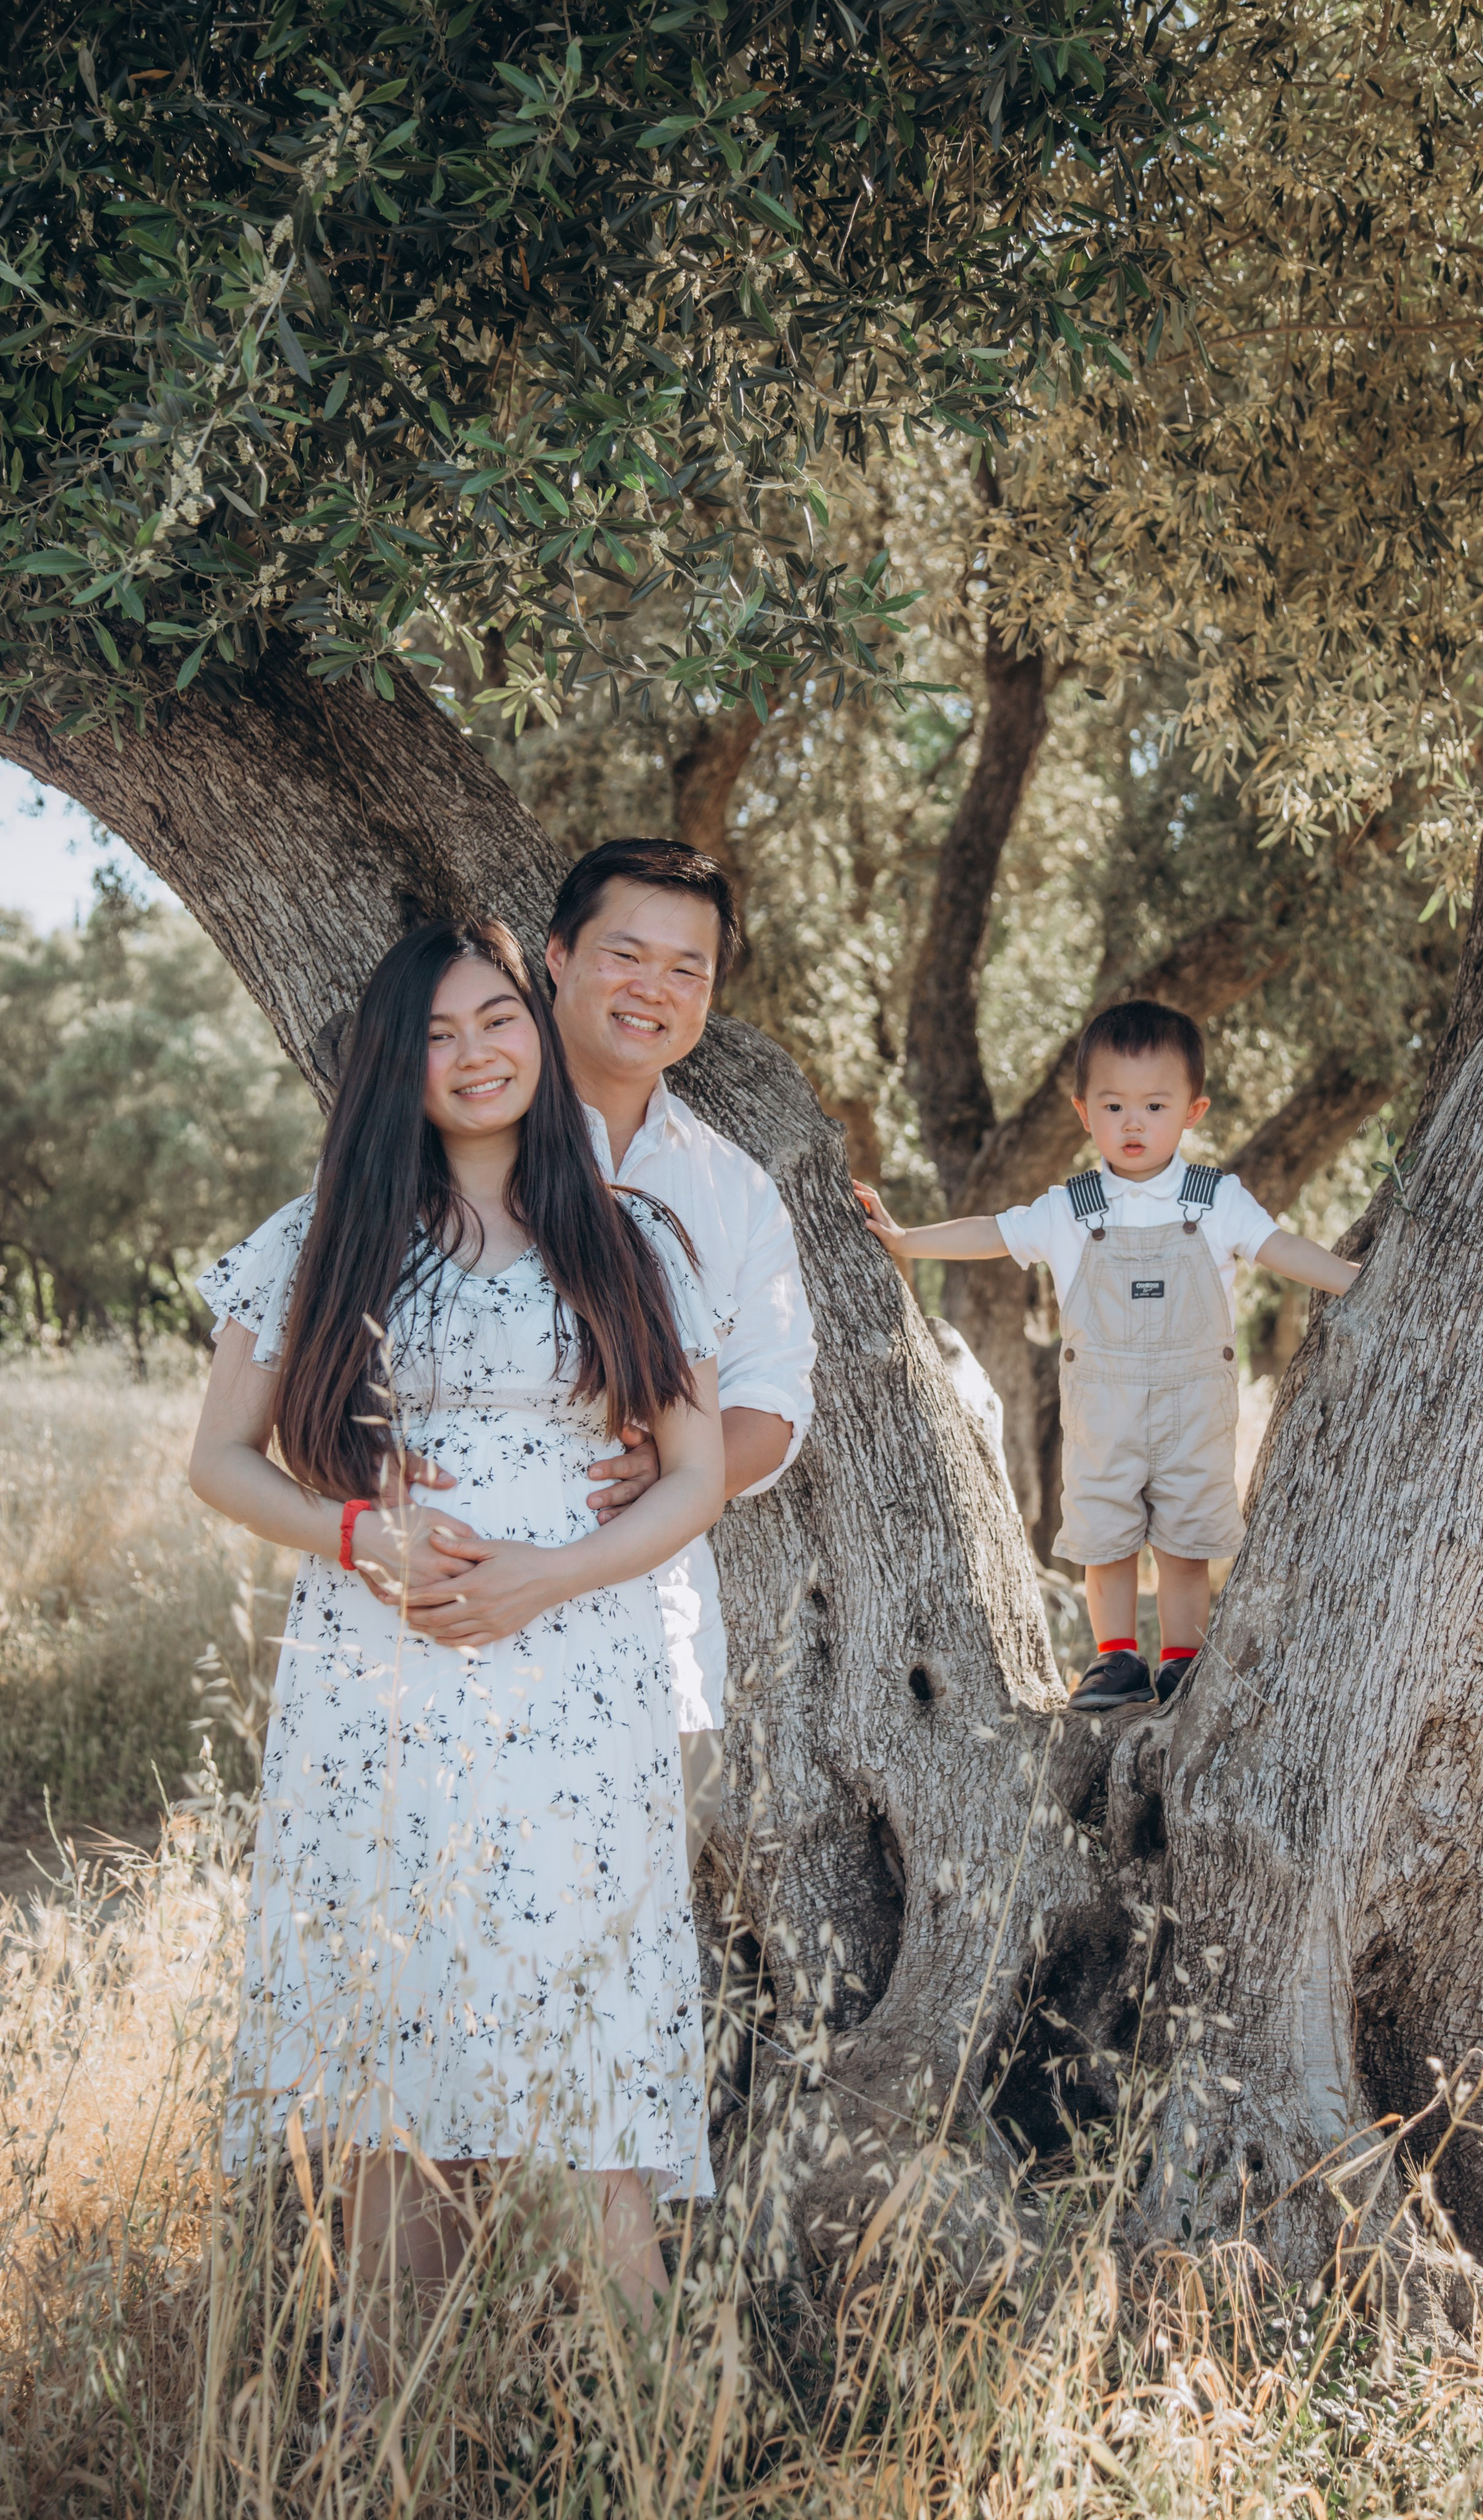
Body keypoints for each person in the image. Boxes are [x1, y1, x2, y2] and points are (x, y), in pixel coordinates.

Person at [188, 917, 724, 2334]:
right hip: (381, 1666)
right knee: (398, 2010)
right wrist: (363, 1534)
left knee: (585, 2007)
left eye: (496, 1018)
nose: (474, 1054)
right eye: (434, 1034)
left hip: (580, 1666)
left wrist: (554, 1571)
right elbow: (220, 1460)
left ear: (537, 1029)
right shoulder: (319, 1235)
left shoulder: (626, 1235)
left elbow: (697, 1477)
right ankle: (386, 2413)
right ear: (390, 1065)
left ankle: (634, 2394)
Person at [855, 999, 1361, 1712]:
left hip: (1193, 1405)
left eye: (1154, 1105)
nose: (1132, 1122)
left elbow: (1281, 1249)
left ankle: (1183, 1660)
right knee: (1106, 1535)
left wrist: (1362, 1284)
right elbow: (993, 1233)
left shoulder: (1215, 1199)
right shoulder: (1070, 1207)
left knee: (1186, 1540)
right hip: (1102, 1408)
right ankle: (1115, 1658)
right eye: (1113, 1104)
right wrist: (907, 1240)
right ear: (1081, 1110)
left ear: (1192, 1110)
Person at [543, 838, 817, 1867]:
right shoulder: (466, 1137)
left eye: (687, 969)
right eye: (626, 954)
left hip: (658, 1628)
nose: (653, 988)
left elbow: (777, 1396)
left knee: (641, 1932)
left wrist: (679, 1468)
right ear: (559, 956)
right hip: (466, 1599)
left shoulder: (733, 1186)